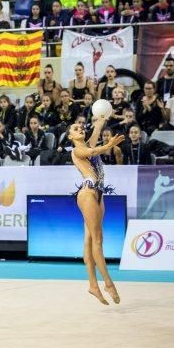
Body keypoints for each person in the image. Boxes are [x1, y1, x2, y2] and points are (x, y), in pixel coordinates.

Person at [68, 115, 124, 305]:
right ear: (70, 137)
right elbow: (93, 150)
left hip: (98, 194)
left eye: (81, 127)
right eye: (76, 129)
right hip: (88, 194)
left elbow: (96, 132)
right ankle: (108, 283)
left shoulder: (88, 145)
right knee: (97, 241)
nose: (80, 129)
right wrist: (108, 146)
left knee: (90, 240)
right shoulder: (77, 150)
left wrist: (101, 119)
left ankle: (93, 284)